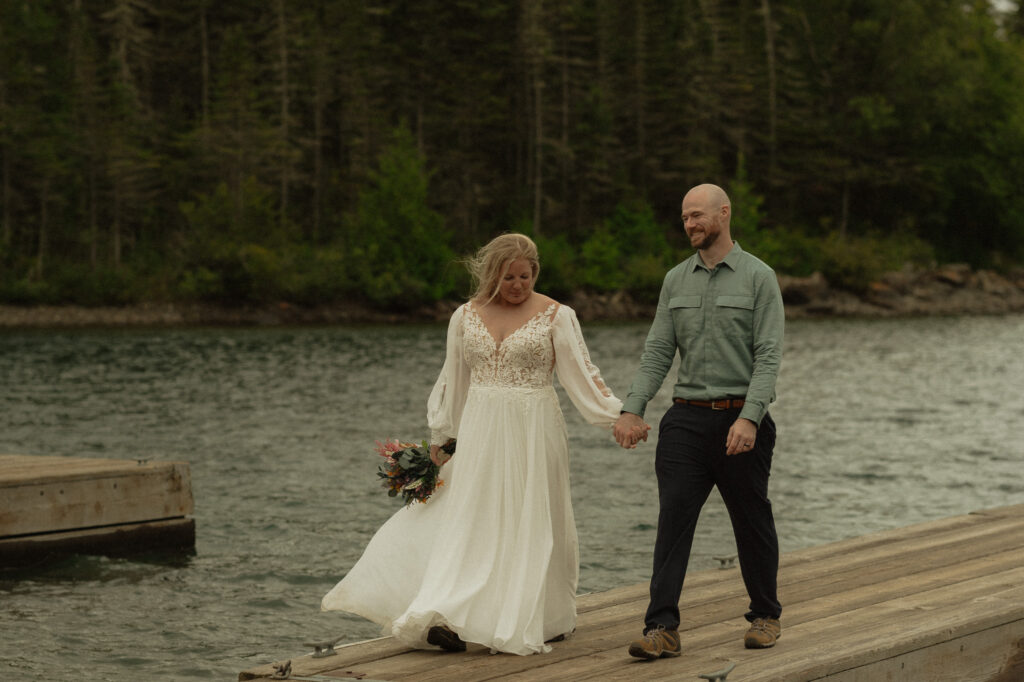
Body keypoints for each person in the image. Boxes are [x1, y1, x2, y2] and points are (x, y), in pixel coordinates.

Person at [322, 233, 628, 655]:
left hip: (534, 426)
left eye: (525, 276)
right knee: (470, 516)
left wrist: (617, 414)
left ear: (535, 273)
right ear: (492, 276)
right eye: (508, 277)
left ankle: (545, 614)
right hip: (481, 427)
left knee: (532, 515)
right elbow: (453, 379)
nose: (518, 284)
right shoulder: (465, 316)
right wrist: (442, 435)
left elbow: (582, 374)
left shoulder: (557, 315)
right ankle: (447, 609)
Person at [613, 183, 785, 660]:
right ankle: (662, 627)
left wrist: (750, 419)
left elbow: (769, 358)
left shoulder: (759, 277)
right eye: (685, 217)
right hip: (685, 421)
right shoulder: (675, 280)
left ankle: (765, 617)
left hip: (741, 423)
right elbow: (658, 352)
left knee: (751, 522)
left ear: (723, 214)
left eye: (697, 216)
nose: (689, 224)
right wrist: (633, 407)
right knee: (672, 523)